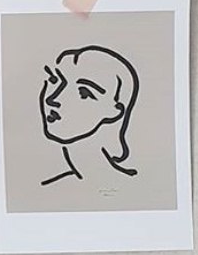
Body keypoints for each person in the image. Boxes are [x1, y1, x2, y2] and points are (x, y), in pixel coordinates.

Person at [39, 45, 140, 188]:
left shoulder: (128, 187)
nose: (53, 98)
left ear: (115, 111)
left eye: (84, 92)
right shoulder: (50, 188)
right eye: (54, 80)